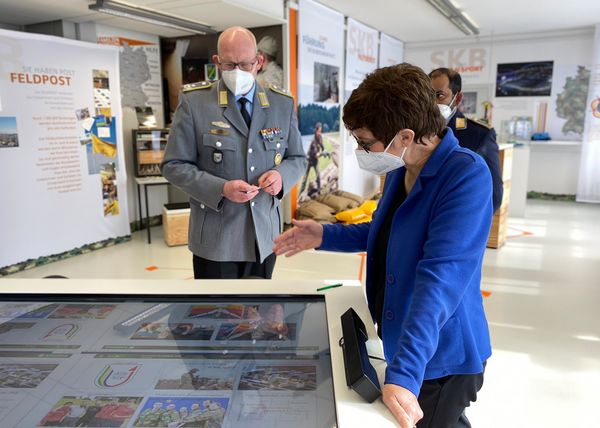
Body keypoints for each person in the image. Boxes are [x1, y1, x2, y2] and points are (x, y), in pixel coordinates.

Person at [274, 63, 492, 428]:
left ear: (404, 136)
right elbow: (383, 232)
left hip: (439, 357)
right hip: (404, 342)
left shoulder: (466, 175)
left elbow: (440, 280)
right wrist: (324, 235)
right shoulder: (399, 170)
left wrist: (405, 375)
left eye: (365, 141)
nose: (360, 149)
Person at [161, 26, 306, 279]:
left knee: (261, 314)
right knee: (216, 316)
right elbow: (174, 165)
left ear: (258, 62)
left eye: (245, 64)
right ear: (217, 62)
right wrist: (221, 189)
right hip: (216, 240)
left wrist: (281, 177)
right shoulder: (194, 103)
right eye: (229, 65)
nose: (238, 72)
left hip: (264, 236)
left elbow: (297, 158)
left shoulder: (281, 103)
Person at [429, 67, 503, 213]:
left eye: (440, 95)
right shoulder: (418, 130)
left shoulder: (479, 134)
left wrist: (470, 224)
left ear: (457, 98)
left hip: (458, 219)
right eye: (428, 96)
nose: (432, 103)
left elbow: (494, 195)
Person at [300, 122, 326, 194]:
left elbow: (322, 147)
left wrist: (325, 151)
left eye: (320, 131)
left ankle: (319, 191)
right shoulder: (313, 140)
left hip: (315, 160)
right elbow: (316, 154)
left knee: (318, 176)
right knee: (305, 178)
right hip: (309, 160)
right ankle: (301, 192)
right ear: (316, 130)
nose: (320, 133)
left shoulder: (319, 137)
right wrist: (322, 153)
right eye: (319, 131)